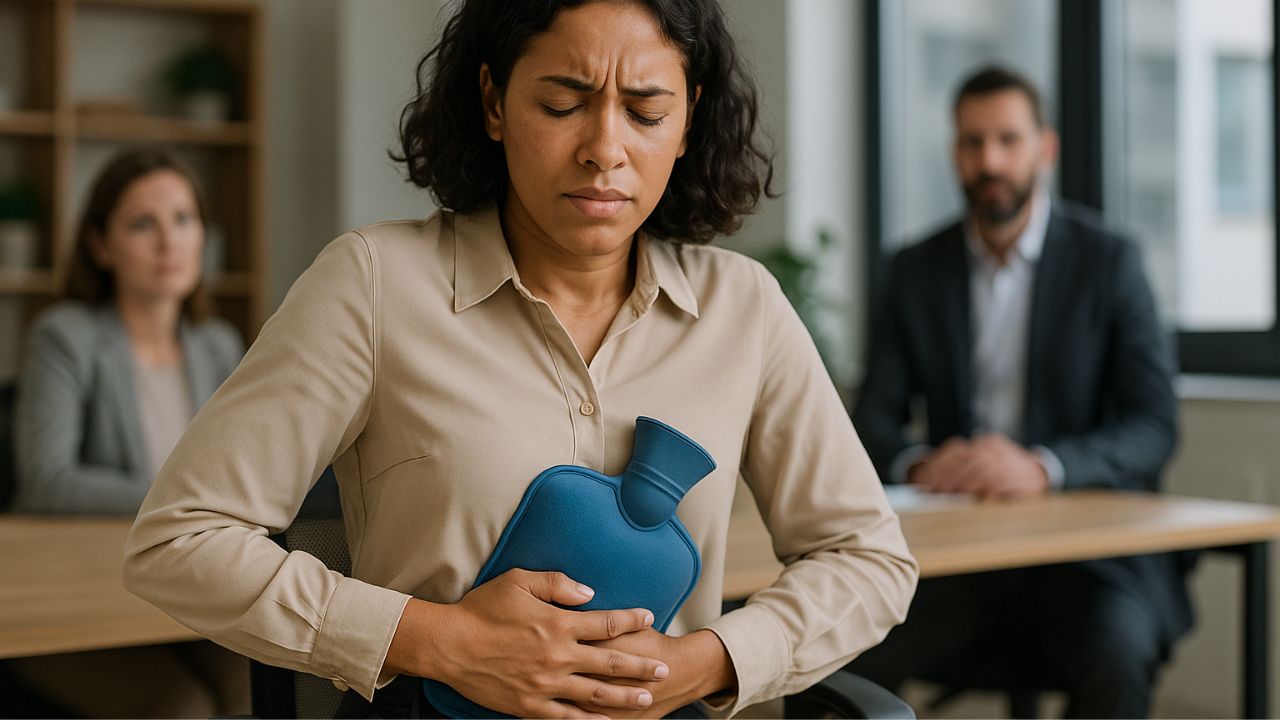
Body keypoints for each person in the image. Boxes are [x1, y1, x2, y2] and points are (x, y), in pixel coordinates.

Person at [123, 1, 919, 718]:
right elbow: (181, 542)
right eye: (562, 104)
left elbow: (869, 559)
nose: (604, 149)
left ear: (688, 122)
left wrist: (707, 663)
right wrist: (441, 641)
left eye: (646, 111)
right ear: (495, 101)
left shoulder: (743, 309)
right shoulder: (374, 284)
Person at [847, 66, 1191, 718]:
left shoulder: (1111, 261)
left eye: (1008, 139)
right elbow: (871, 422)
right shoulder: (914, 270)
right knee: (839, 645)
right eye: (973, 143)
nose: (990, 160)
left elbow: (1154, 425)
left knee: (1117, 653)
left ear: (1045, 148)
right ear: (955, 153)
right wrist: (922, 464)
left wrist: (1042, 466)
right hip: (956, 559)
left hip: (1088, 562)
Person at [9, 148, 249, 716]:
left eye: (184, 219)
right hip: (68, 601)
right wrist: (185, 503)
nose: (170, 242)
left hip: (189, 588)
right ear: (100, 245)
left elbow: (242, 476)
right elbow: (47, 480)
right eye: (143, 224)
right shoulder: (65, 337)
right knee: (181, 707)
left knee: (262, 688)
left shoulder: (218, 345)